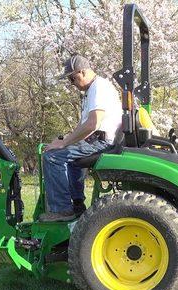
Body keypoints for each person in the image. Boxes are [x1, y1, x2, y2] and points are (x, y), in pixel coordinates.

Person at [40, 55, 122, 222]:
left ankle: (62, 210)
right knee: (67, 154)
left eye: (72, 78)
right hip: (96, 140)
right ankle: (77, 205)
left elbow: (93, 124)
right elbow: (82, 126)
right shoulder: (92, 91)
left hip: (102, 142)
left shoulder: (99, 88)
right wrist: (64, 140)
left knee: (52, 157)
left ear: (82, 72)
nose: (72, 84)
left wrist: (64, 143)